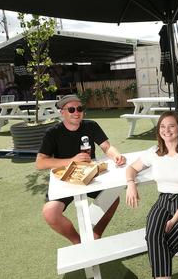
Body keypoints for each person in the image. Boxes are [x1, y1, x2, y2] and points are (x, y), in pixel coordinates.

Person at [36, 94, 127, 244]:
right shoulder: (52, 133)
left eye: (80, 108)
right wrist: (71, 160)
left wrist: (116, 155)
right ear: (62, 113)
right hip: (65, 179)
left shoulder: (91, 126)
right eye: (71, 109)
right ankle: (79, 242)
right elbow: (40, 163)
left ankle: (96, 234)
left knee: (112, 197)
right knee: (50, 213)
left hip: (88, 175)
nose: (76, 112)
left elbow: (107, 147)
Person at [125, 111, 178, 279]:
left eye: (171, 126)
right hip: (162, 201)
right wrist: (131, 184)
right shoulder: (154, 152)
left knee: (160, 246)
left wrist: (174, 219)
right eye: (162, 126)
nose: (166, 130)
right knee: (153, 237)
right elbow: (131, 168)